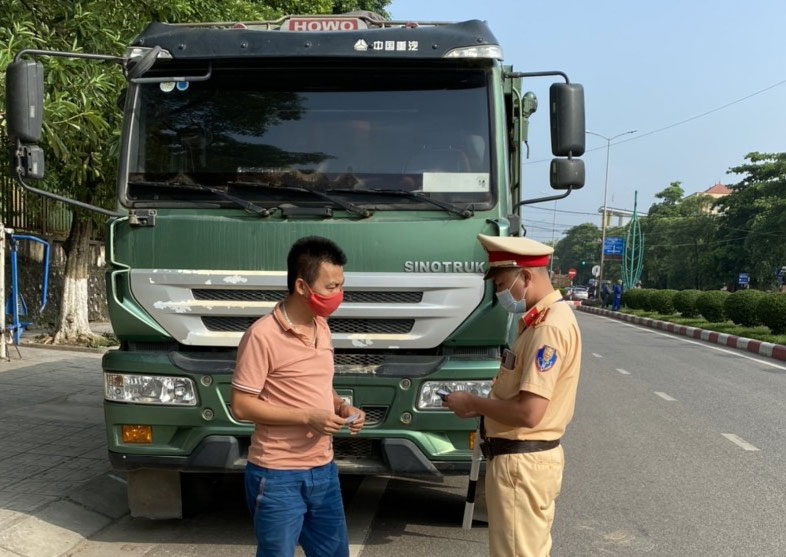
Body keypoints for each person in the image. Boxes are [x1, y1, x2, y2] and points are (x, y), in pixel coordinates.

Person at [444, 234, 582, 557]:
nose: (499, 292)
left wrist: (473, 405)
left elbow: (529, 413)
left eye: (503, 283)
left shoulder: (549, 329)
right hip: (521, 463)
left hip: (522, 465)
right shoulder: (539, 323)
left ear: (526, 277)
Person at [231, 236, 366, 557]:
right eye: (331, 287)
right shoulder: (262, 335)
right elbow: (241, 405)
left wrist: (341, 406)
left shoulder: (322, 327)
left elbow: (317, 385)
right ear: (303, 287)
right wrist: (307, 417)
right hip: (277, 476)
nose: (338, 295)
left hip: (324, 471)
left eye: (341, 285)